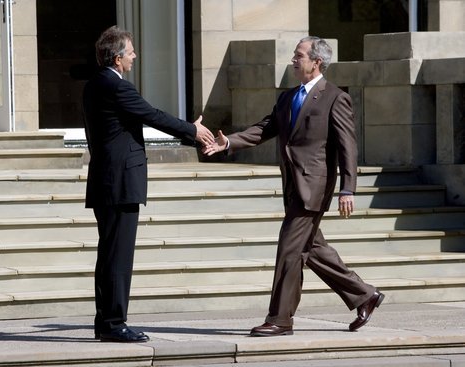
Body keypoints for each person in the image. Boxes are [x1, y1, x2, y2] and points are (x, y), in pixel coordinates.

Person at [203, 36, 384, 336]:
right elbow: (265, 128)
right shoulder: (288, 97)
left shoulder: (335, 98)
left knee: (289, 250)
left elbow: (347, 147)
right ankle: (365, 295)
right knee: (312, 249)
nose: (293, 60)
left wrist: (348, 189)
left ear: (317, 62)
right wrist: (229, 142)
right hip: (292, 186)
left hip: (314, 188)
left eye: (299, 55)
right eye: (294, 55)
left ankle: (280, 319)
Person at [82, 25, 214, 343]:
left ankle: (106, 321)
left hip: (107, 182)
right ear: (117, 58)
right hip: (119, 182)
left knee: (110, 254)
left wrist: (187, 130)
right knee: (118, 256)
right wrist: (192, 131)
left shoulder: (94, 84)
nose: (135, 56)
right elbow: (151, 115)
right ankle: (113, 323)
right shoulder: (116, 87)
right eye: (130, 51)